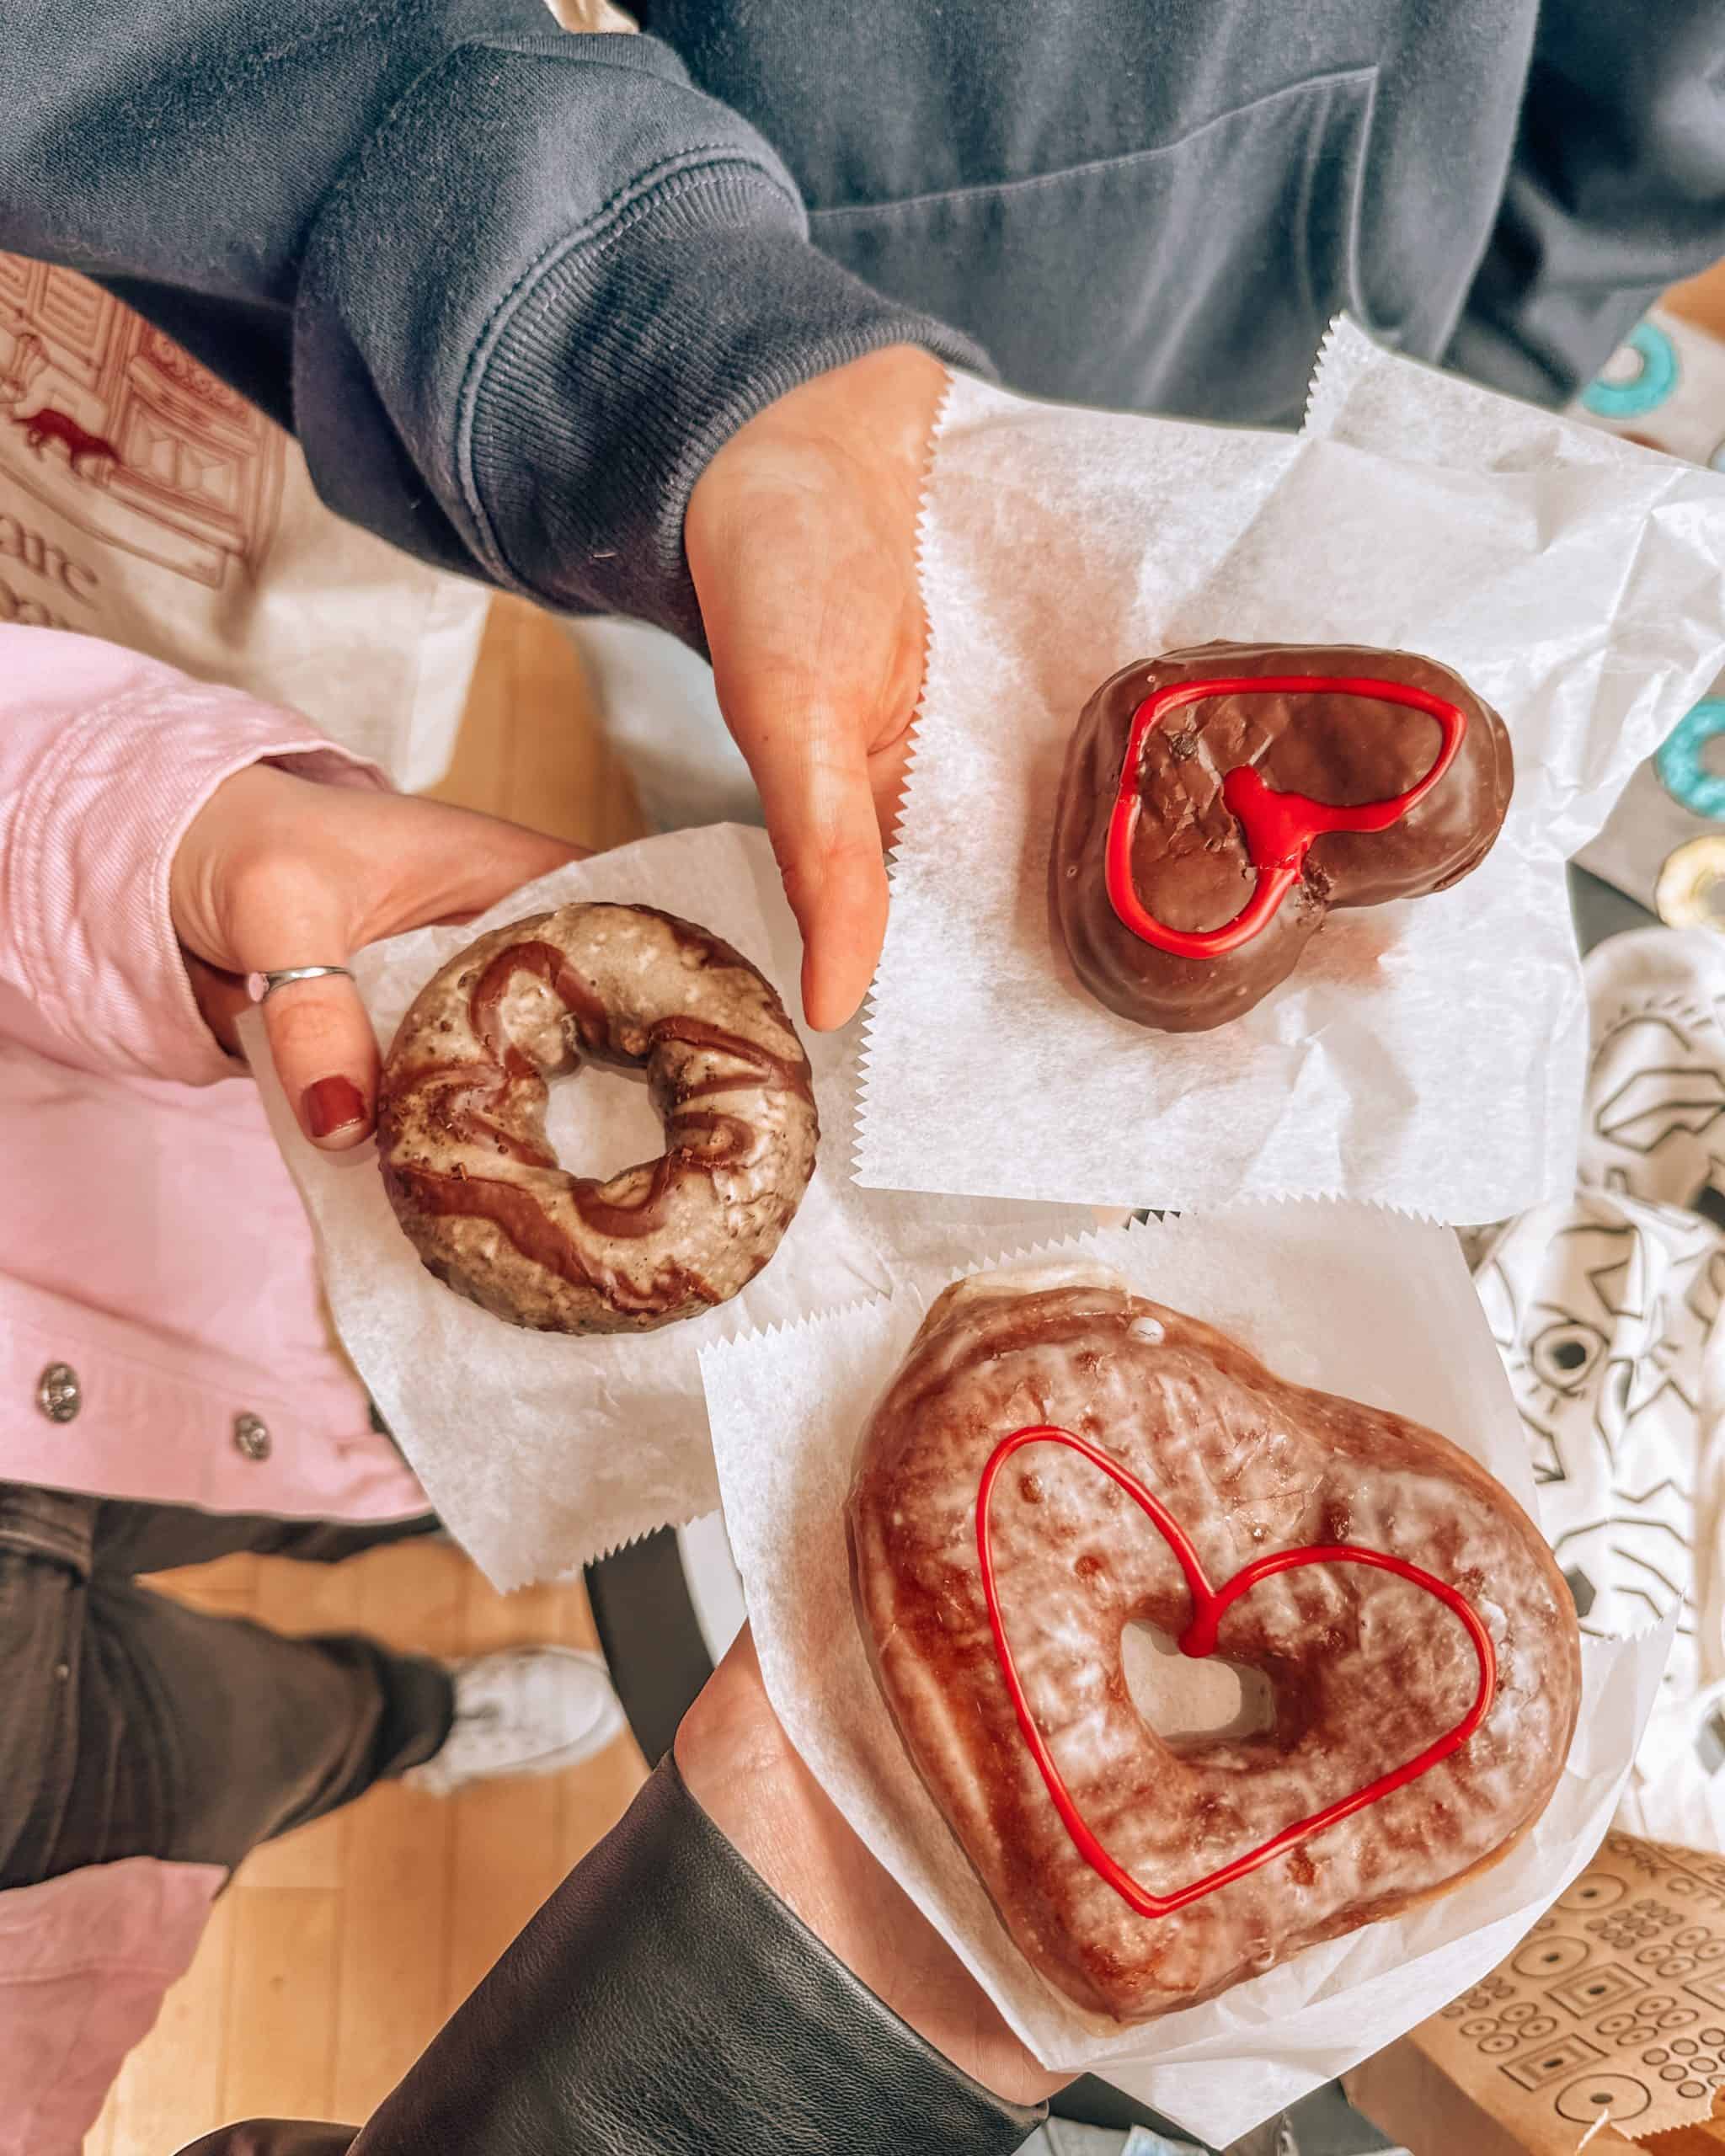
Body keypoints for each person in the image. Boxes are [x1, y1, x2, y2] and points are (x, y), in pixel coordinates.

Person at [7, 3, 1723, 1036]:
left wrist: (1456, 382)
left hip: (1327, 380)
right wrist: (646, 328)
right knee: (775, 842)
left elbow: (1670, 96)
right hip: (701, 432)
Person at [0, 623, 625, 2156]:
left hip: (85, 1289)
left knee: (344, 1462)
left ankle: (419, 1517)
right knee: (281, 1734)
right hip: (45, 1881)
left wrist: (180, 849)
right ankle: (416, 1718)